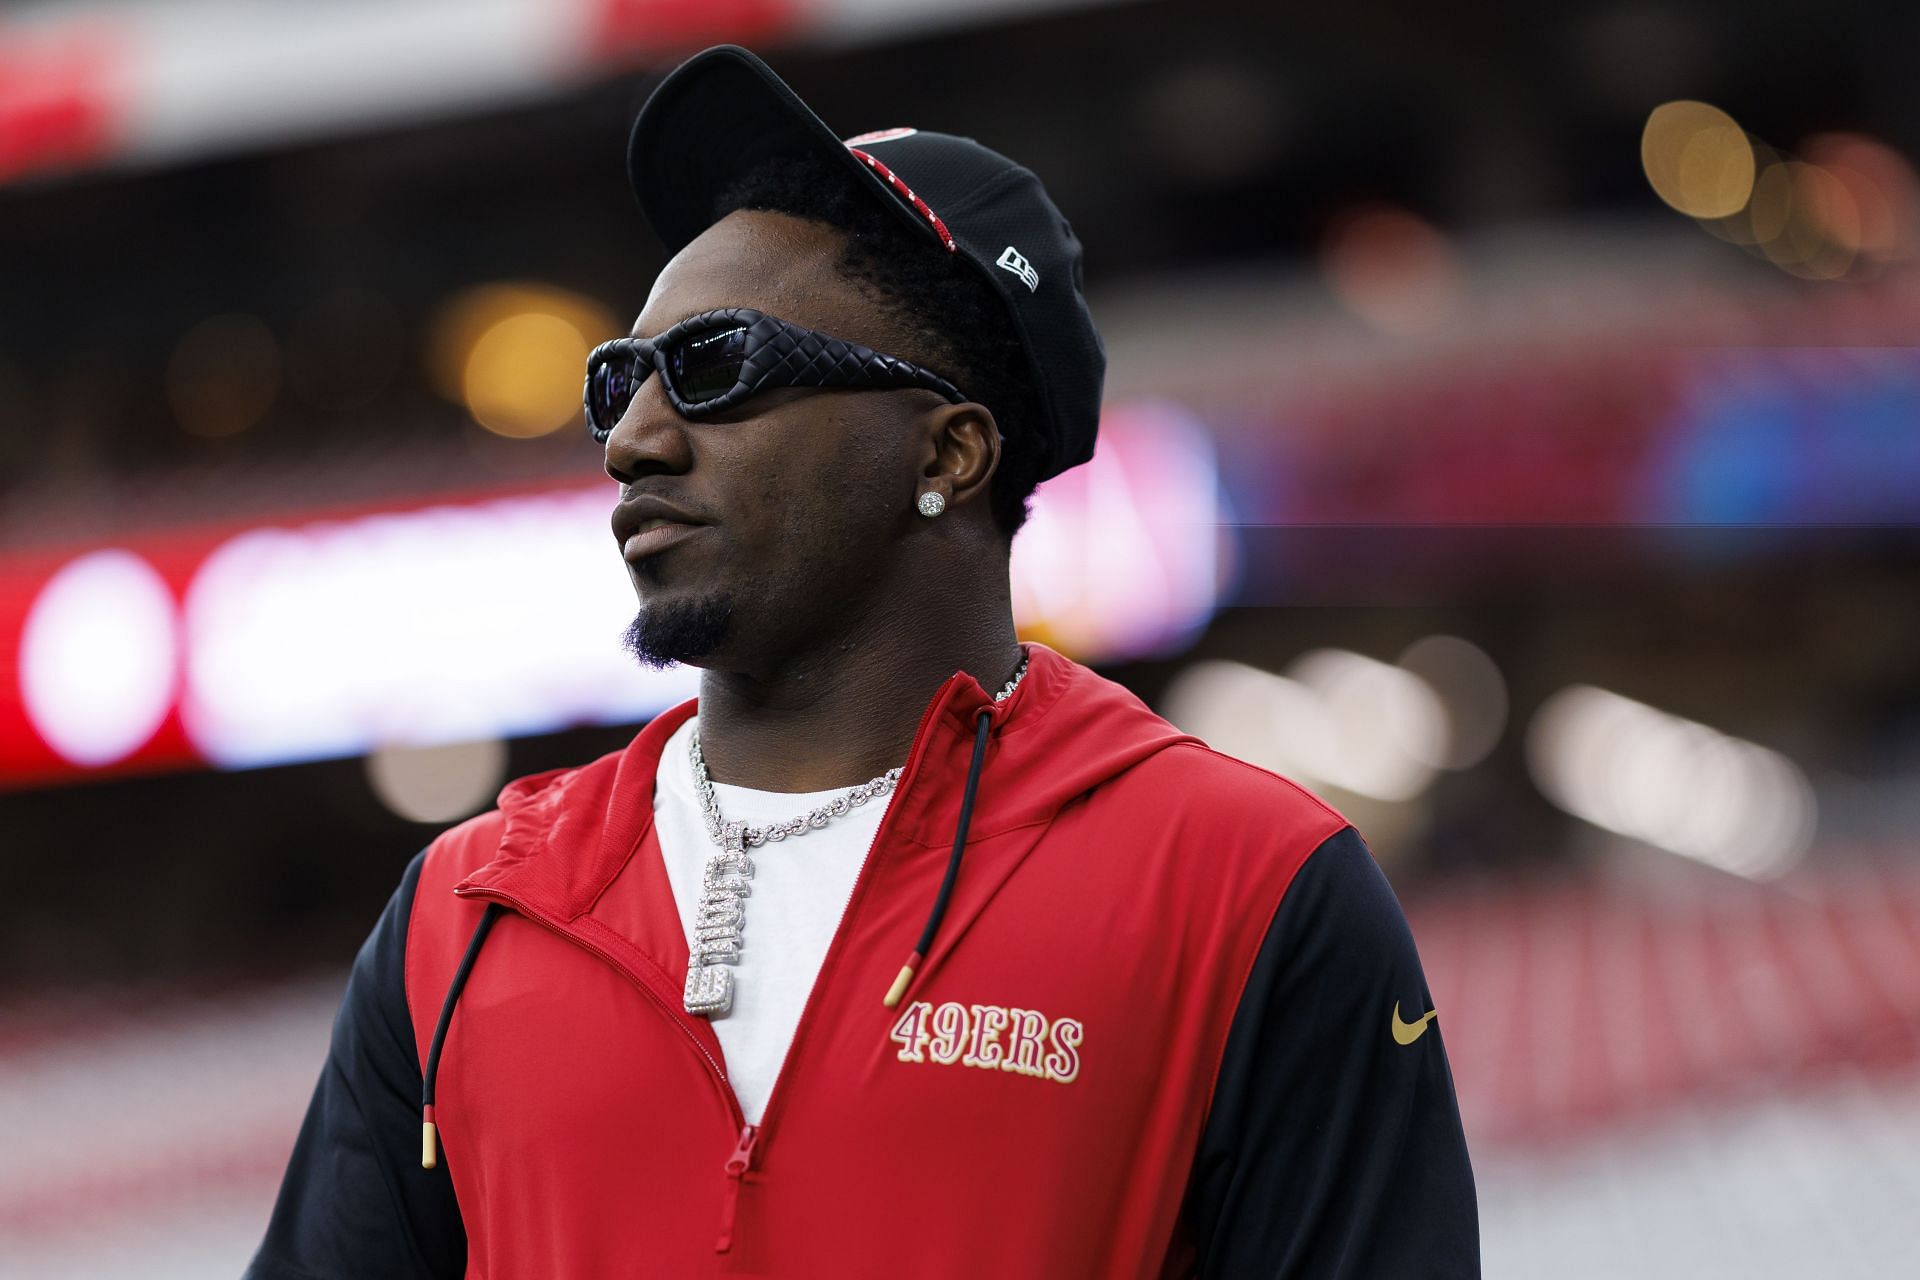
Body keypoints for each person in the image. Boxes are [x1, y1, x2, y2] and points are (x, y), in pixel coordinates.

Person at [245, 43, 1478, 1279]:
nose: (632, 441)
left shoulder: (1245, 884)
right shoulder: (462, 914)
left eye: (717, 367)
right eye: (616, 383)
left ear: (947, 454)